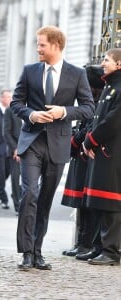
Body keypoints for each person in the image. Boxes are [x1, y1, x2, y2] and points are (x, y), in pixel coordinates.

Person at [11, 25, 94, 271]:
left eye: (42, 44)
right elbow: (16, 103)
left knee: (45, 199)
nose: (38, 48)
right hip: (32, 142)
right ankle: (26, 251)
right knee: (30, 194)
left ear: (56, 46)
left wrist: (65, 112)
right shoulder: (29, 71)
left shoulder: (77, 74)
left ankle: (37, 251)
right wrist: (32, 115)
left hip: (58, 145)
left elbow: (89, 108)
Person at [82, 48, 121, 266]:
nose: (103, 63)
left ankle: (112, 252)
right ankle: (99, 247)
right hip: (103, 152)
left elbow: (113, 122)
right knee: (100, 203)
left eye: (106, 60)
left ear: (119, 64)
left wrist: (90, 140)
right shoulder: (110, 86)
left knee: (111, 205)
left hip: (113, 154)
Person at [61, 65, 104, 258]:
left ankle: (87, 243)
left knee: (90, 204)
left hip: (89, 155)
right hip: (80, 154)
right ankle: (82, 242)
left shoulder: (99, 101)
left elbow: (90, 128)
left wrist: (75, 141)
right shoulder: (89, 100)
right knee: (81, 203)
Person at [3, 105, 22, 215]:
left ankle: (28, 204)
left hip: (32, 149)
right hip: (15, 151)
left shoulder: (35, 106)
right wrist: (15, 148)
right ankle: (18, 206)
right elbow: (6, 132)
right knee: (15, 178)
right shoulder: (10, 110)